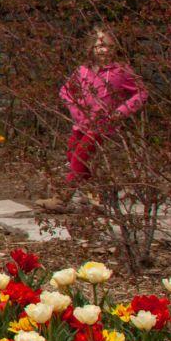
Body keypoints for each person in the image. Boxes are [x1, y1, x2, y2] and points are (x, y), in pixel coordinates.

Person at [38, 26, 147, 210]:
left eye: (107, 46)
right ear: (92, 48)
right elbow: (66, 90)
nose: (103, 50)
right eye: (99, 46)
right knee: (72, 154)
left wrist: (120, 112)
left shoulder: (122, 71)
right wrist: (75, 107)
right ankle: (95, 195)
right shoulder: (83, 70)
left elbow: (142, 93)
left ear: (116, 48)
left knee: (80, 157)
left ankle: (62, 198)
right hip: (80, 123)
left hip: (102, 125)